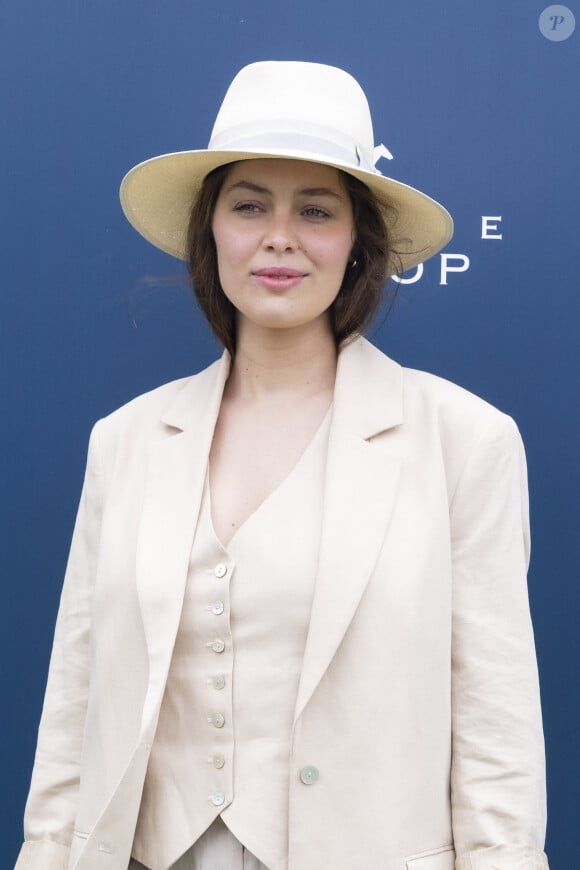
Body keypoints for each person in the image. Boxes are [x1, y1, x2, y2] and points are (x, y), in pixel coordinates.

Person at [14, 61, 549, 870]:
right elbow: (73, 707)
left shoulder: (464, 441)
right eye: (250, 204)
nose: (279, 236)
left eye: (316, 209)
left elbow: (495, 730)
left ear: (357, 242)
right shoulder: (124, 441)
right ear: (213, 230)